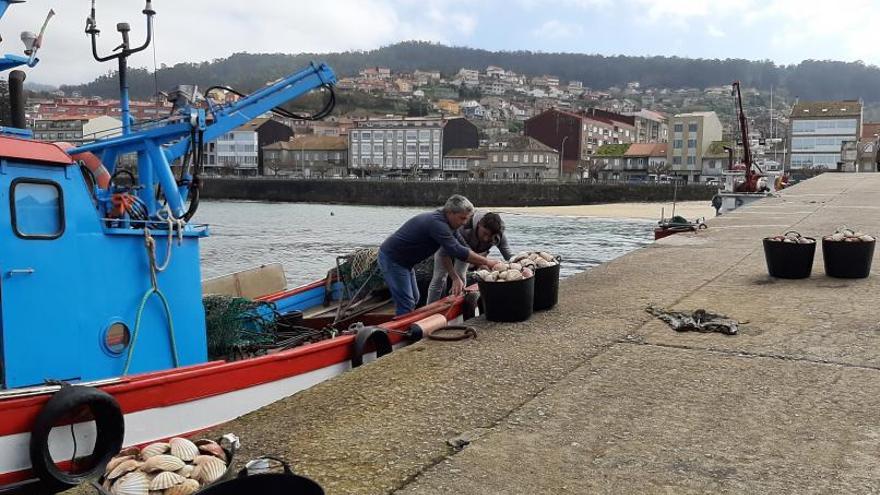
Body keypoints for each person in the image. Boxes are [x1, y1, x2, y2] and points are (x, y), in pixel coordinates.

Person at [378, 195, 496, 316]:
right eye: (462, 218)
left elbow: (463, 245)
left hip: (406, 263)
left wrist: (479, 263)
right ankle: (403, 332)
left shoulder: (449, 224)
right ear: (450, 213)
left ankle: (408, 324)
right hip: (393, 259)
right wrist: (487, 262)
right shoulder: (437, 224)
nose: (464, 223)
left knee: (415, 297)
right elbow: (457, 250)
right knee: (406, 303)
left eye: (466, 219)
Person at [427, 211, 512, 304]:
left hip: (467, 252)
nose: (486, 239)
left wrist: (522, 262)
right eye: (485, 233)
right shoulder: (463, 228)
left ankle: (456, 303)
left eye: (490, 236)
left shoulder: (498, 236)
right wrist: (454, 277)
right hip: (448, 247)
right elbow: (446, 254)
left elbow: (509, 256)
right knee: (439, 277)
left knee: (460, 275)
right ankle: (431, 306)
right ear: (479, 224)